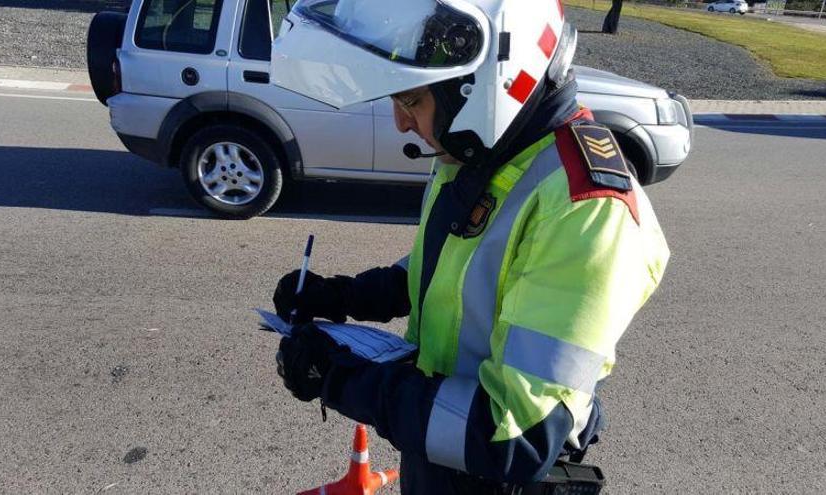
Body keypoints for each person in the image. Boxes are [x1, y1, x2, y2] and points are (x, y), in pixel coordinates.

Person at [269, 0, 670, 493]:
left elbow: (514, 434)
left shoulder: (585, 206)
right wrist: (348, 296)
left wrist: (340, 379)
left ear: (487, 85)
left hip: (489, 475)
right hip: (434, 447)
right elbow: (450, 268)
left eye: (411, 100)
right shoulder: (485, 146)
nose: (400, 122)